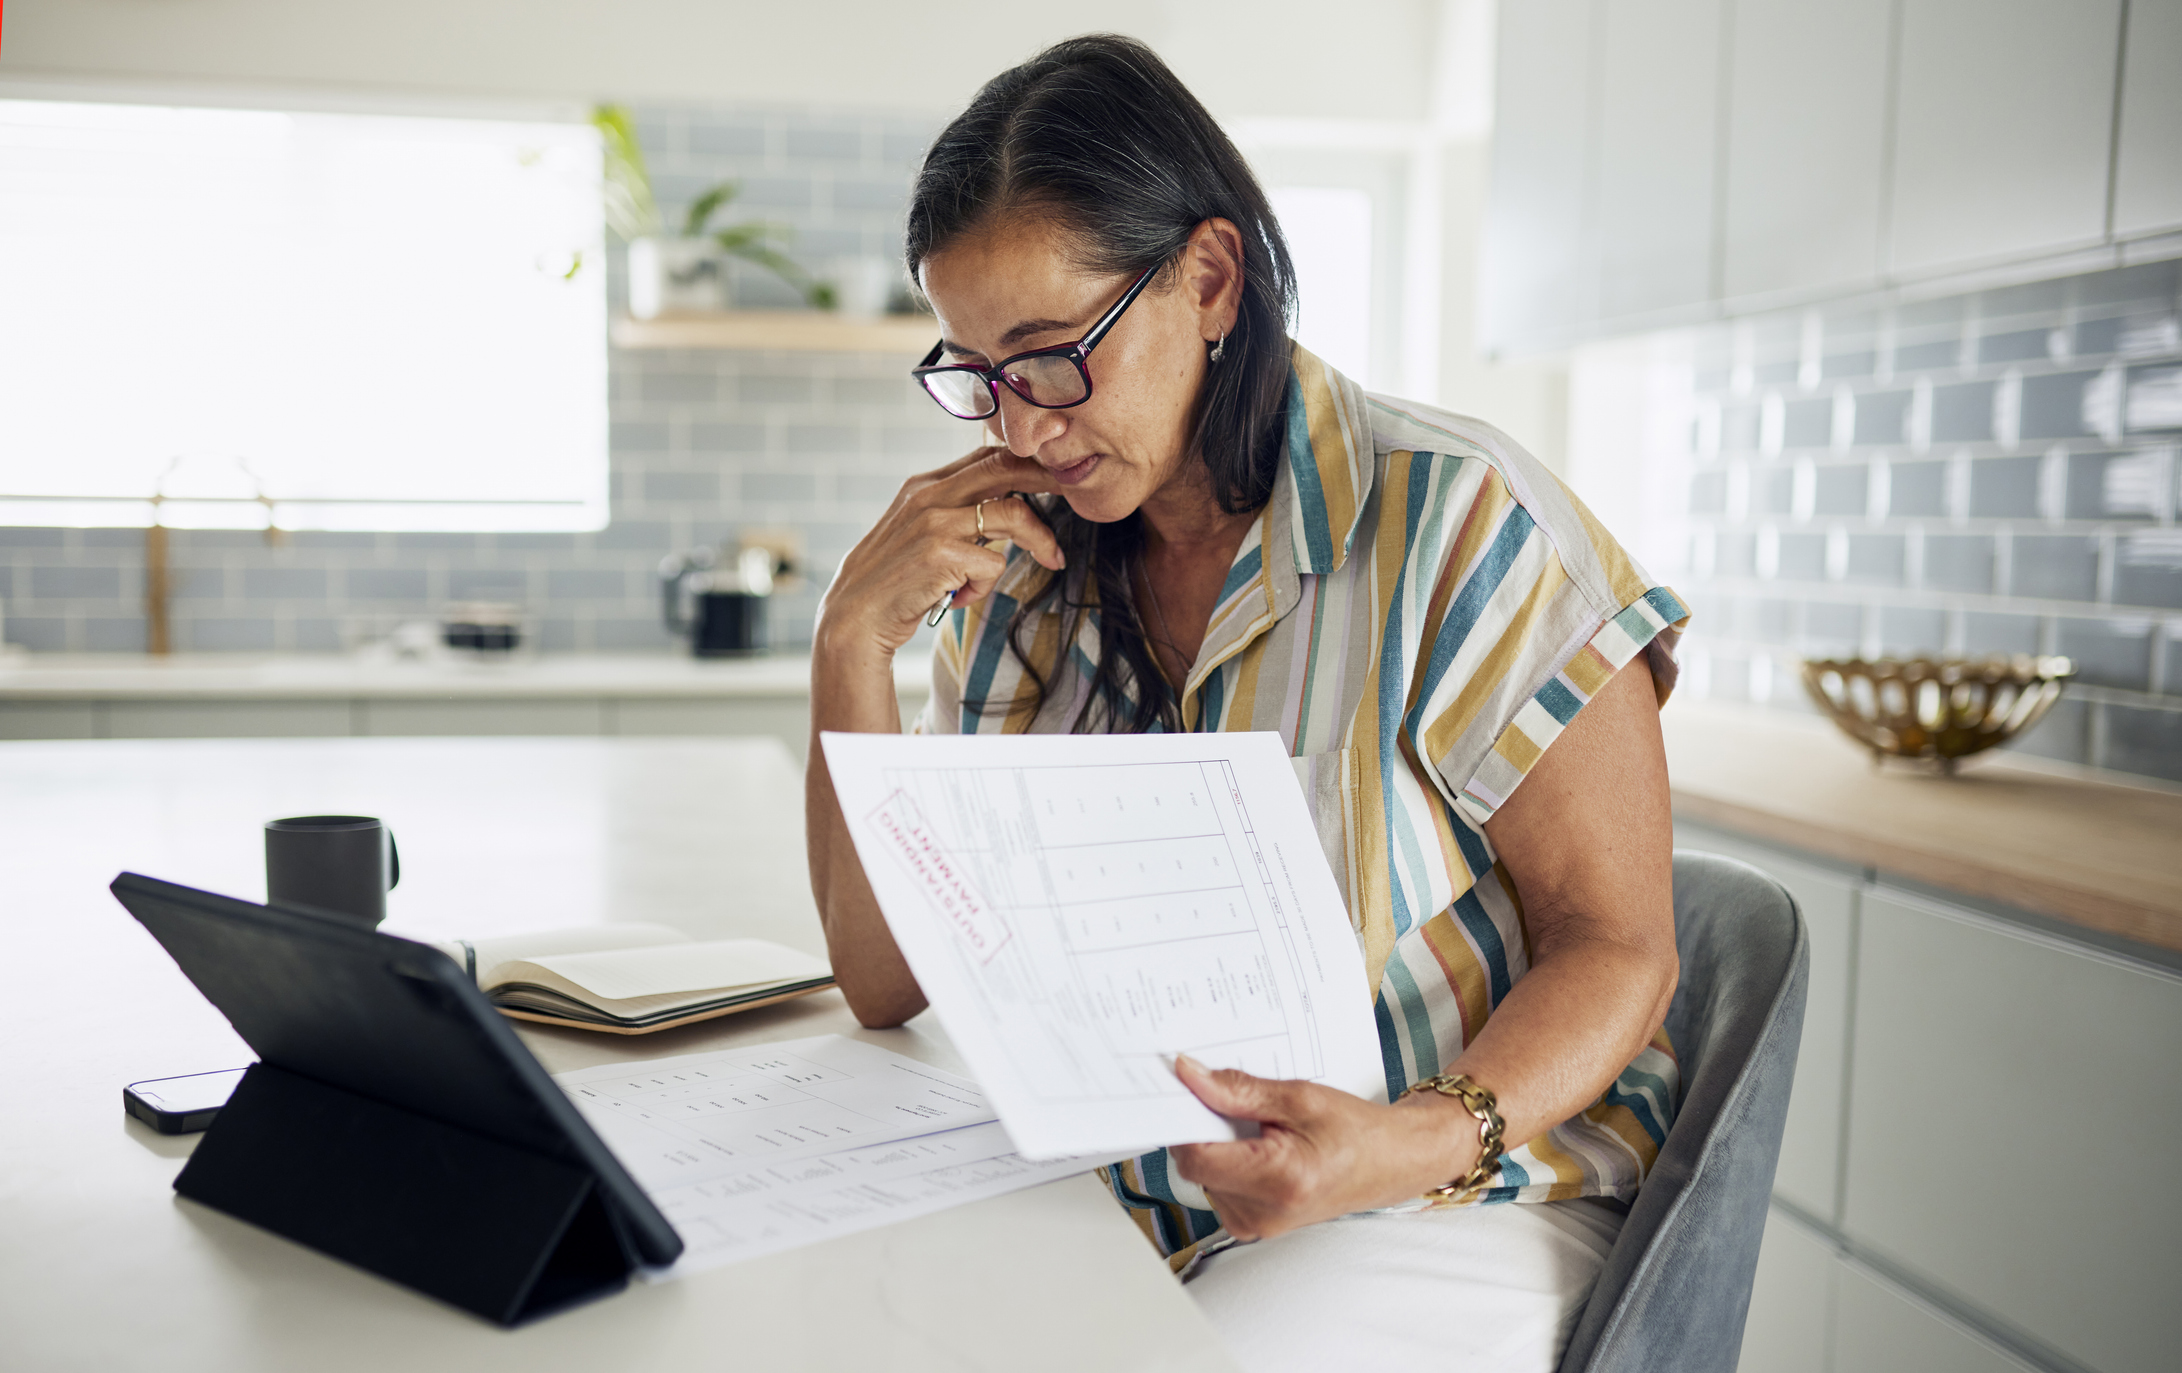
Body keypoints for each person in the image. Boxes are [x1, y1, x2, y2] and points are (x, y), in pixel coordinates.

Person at [806, 34, 1688, 1373]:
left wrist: (1412, 1137)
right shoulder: (1018, 571)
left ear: (1208, 279)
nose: (1021, 426)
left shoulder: (1461, 521)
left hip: (1443, 1196)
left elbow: (1616, 942)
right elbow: (883, 979)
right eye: (978, 373)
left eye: (1049, 355)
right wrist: (849, 638)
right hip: (1130, 1201)